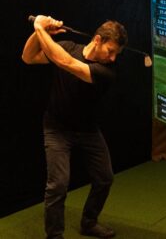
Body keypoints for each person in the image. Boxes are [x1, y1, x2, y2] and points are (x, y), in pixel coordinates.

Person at [22, 15, 128, 239]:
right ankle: (54, 236)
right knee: (58, 185)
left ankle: (89, 223)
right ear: (97, 40)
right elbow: (28, 57)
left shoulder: (107, 72)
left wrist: (40, 27)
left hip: (87, 130)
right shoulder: (69, 47)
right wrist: (39, 32)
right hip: (57, 128)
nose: (113, 57)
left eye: (117, 53)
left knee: (105, 178)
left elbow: (66, 63)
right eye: (111, 50)